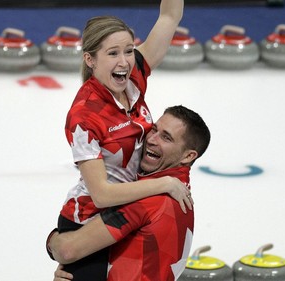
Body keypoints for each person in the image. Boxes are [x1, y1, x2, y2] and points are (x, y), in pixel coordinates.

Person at [55, 0, 190, 279]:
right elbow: (102, 194)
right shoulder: (84, 116)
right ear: (90, 59)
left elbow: (169, 16)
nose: (124, 61)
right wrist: (164, 184)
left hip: (130, 214)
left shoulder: (133, 77)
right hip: (89, 222)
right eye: (113, 53)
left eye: (129, 50)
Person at [48, 105, 211, 281]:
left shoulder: (148, 199)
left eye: (166, 138)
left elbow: (67, 249)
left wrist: (52, 241)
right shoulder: (179, 192)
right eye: (154, 129)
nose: (152, 140)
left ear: (188, 156)